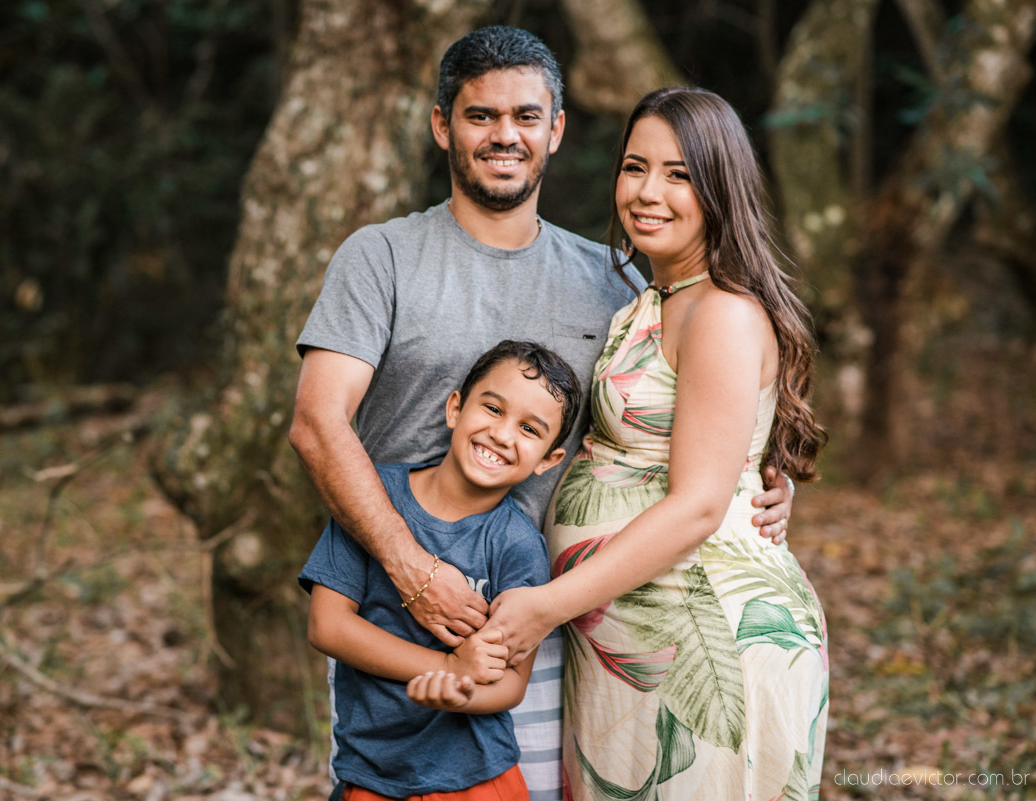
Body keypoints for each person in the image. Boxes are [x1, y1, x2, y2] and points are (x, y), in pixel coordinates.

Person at [289, 27, 794, 801]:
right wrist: (413, 571)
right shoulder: (381, 256)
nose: (505, 135)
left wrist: (758, 486)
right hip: (393, 614)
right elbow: (317, 423)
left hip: (559, 622)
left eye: (525, 116)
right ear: (442, 126)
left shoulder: (616, 280)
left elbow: (681, 417)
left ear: (555, 129)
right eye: (480, 115)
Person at [483, 87, 829, 801]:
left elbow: (699, 504)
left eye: (679, 175)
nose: (647, 192)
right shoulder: (654, 298)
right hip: (632, 641)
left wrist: (546, 605)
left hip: (705, 645)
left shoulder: (721, 313)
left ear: (720, 189)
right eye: (634, 167)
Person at [300, 341, 582, 801]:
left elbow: (511, 683)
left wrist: (463, 692)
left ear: (549, 460)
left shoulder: (518, 545)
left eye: (529, 429)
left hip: (477, 780)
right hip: (370, 773)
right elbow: (326, 626)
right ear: (455, 408)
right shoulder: (371, 500)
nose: (502, 434)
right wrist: (446, 666)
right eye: (493, 408)